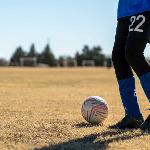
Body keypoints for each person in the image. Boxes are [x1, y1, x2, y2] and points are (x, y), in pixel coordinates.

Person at [111, 0, 150, 130]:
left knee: (133, 53)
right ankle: (133, 116)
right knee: (119, 57)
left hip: (144, 6)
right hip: (125, 10)